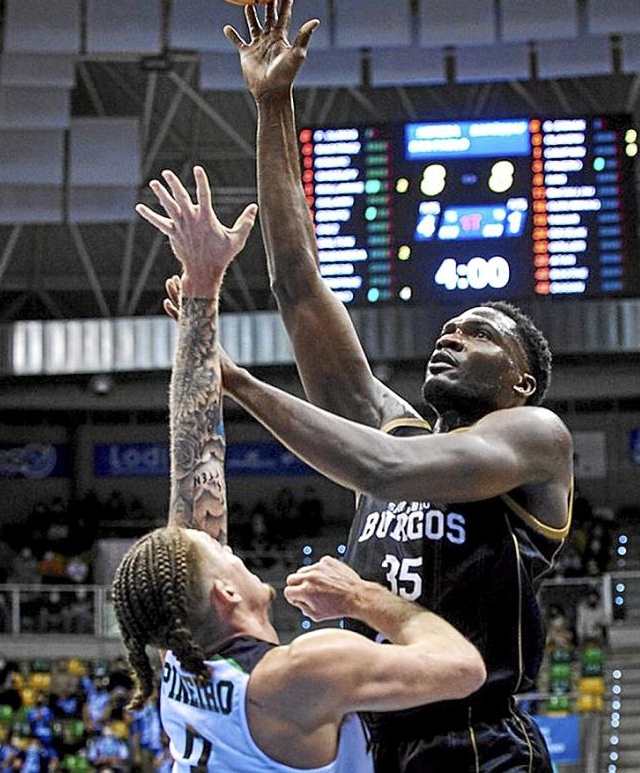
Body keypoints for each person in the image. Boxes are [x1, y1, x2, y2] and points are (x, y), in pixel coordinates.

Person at [154, 0, 575, 772]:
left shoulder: (535, 441)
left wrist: (240, 382)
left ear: (522, 380)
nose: (451, 335)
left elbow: (384, 470)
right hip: (374, 745)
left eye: (479, 333)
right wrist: (272, 102)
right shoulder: (393, 427)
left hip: (478, 745)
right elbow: (300, 289)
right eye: (448, 329)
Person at [125, 172, 486, 772]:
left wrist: (202, 291)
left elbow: (195, 458)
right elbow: (464, 669)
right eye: (223, 554)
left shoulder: (180, 659)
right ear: (224, 593)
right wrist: (365, 598)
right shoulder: (297, 673)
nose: (226, 546)